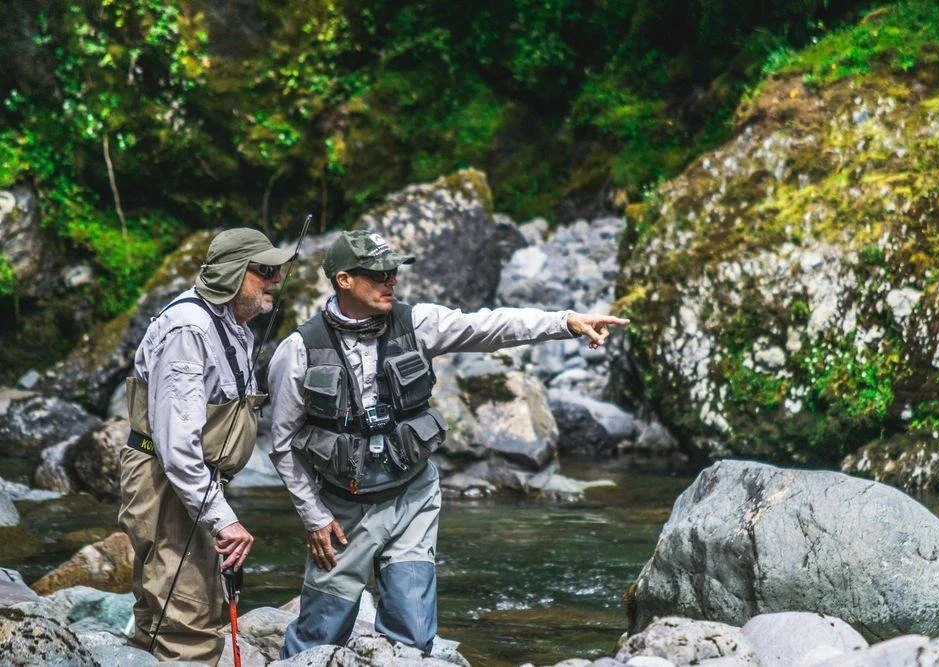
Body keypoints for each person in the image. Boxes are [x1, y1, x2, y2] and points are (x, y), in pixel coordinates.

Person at [269, 230, 628, 657]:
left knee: (414, 635)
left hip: (413, 498)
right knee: (317, 638)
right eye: (379, 274)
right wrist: (314, 517)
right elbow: (283, 445)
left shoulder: (418, 323)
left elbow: (489, 326)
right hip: (342, 511)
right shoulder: (298, 351)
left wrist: (564, 322)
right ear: (344, 280)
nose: (391, 280)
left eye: (394, 272)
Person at [118, 227, 295, 663]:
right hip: (170, 483)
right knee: (187, 618)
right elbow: (177, 448)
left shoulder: (232, 325)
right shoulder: (189, 330)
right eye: (265, 271)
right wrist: (223, 519)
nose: (276, 280)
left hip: (191, 484)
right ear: (233, 274)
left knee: (166, 608)